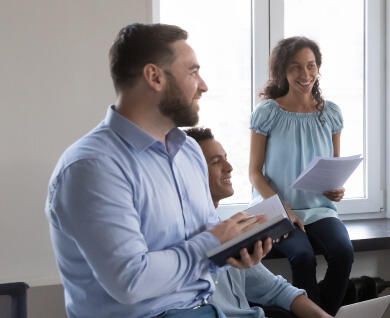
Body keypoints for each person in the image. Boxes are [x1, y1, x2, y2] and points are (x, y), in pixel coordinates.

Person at [46, 23, 270, 318]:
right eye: (192, 72)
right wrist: (214, 243)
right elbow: (132, 281)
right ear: (154, 77)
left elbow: (206, 246)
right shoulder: (92, 167)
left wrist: (232, 250)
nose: (203, 86)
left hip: (206, 308)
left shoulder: (189, 152)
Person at [248, 36, 354, 313]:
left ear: (318, 68)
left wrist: (337, 189)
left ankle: (321, 314)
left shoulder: (330, 113)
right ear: (282, 70)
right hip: (277, 211)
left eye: (310, 65)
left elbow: (333, 168)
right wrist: (282, 208)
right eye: (295, 67)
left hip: (320, 210)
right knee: (303, 256)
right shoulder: (267, 113)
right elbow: (254, 173)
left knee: (344, 252)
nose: (305, 74)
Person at [186, 127, 333, 318]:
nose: (229, 167)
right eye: (215, 162)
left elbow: (276, 289)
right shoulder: (185, 243)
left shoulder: (231, 230)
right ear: (189, 174)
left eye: (225, 158)